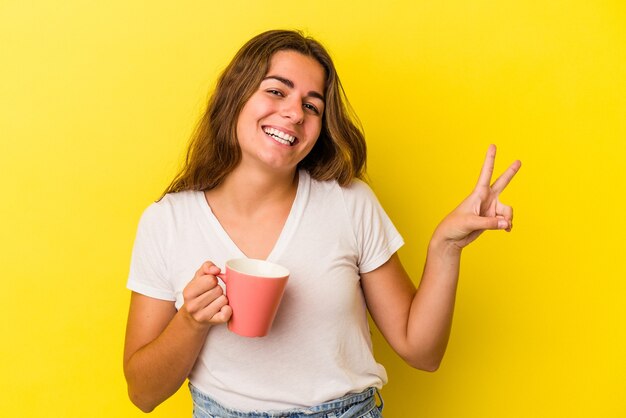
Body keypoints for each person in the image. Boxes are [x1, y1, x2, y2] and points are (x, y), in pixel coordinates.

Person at [123, 29, 521, 418]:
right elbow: (143, 393)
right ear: (235, 94)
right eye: (276, 91)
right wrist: (190, 321)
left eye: (312, 106)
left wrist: (445, 246)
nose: (295, 113)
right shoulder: (167, 222)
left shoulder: (349, 204)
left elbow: (422, 352)